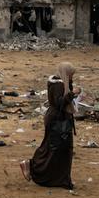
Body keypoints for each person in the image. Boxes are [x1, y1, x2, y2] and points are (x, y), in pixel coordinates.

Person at [21, 62, 78, 190]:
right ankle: (33, 166)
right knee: (55, 148)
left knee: (54, 148)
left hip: (58, 119)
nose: (71, 78)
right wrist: (72, 93)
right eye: (70, 75)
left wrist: (71, 90)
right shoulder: (58, 85)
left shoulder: (59, 82)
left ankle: (57, 179)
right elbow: (59, 103)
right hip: (58, 120)